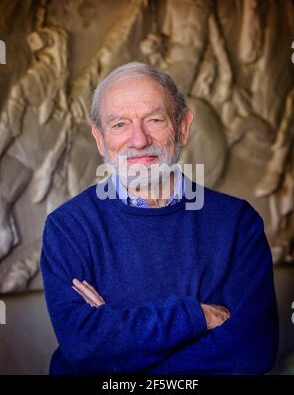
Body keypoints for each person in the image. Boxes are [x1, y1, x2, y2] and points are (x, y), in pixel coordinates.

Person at [40, 62, 278, 375]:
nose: (139, 140)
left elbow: (252, 349)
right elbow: (84, 346)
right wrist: (196, 317)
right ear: (99, 138)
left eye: (154, 119)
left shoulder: (237, 223)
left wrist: (119, 338)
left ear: (182, 126)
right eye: (119, 124)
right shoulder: (68, 228)